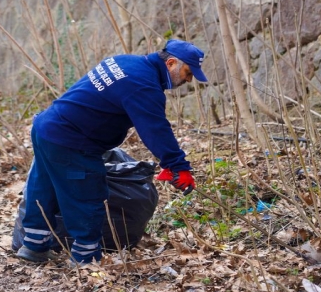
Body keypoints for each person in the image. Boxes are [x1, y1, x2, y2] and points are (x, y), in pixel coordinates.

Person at [17, 39, 208, 264]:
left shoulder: (125, 61)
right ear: (172, 63)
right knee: (87, 194)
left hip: (46, 127)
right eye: (188, 72)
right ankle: (85, 259)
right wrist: (178, 166)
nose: (188, 79)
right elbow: (155, 129)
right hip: (71, 139)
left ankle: (33, 246)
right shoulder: (143, 85)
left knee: (45, 186)